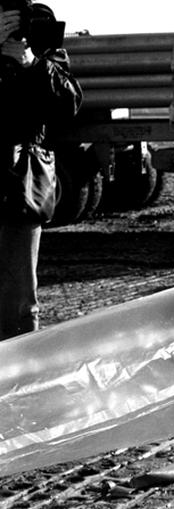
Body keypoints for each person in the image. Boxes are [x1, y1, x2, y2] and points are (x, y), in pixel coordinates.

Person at [0, 1, 80, 340]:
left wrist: (31, 63)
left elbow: (69, 103)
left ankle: (17, 382)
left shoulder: (40, 31)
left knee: (19, 300)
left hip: (20, 183)